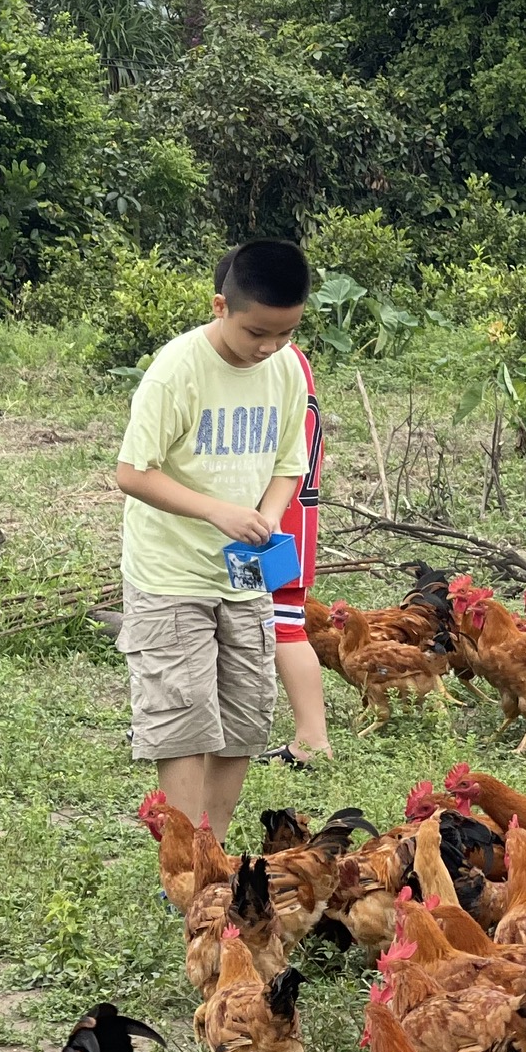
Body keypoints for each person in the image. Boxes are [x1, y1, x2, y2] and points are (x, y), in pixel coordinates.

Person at [111, 239, 312, 839]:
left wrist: (269, 514)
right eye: (257, 333)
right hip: (170, 575)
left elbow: (288, 462)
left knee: (243, 716)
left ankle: (214, 850)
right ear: (220, 306)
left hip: (243, 575)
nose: (270, 347)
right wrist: (220, 513)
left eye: (286, 333)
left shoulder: (285, 368)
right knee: (183, 723)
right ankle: (187, 869)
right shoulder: (176, 372)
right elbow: (131, 473)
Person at [218, 247, 330, 768]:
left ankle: (312, 738)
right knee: (270, 622)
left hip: (277, 516)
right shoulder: (284, 359)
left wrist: (261, 513)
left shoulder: (281, 366)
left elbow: (282, 452)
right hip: (282, 512)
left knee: (284, 624)